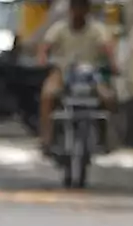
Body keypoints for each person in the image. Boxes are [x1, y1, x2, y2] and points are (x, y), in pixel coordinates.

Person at [35, 0, 115, 153]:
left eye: (82, 6)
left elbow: (107, 48)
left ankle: (106, 137)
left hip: (91, 74)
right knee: (47, 95)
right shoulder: (59, 28)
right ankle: (46, 137)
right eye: (76, 6)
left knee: (108, 98)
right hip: (62, 72)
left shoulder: (97, 29)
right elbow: (45, 46)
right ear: (71, 9)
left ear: (87, 9)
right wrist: (43, 59)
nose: (79, 10)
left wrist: (113, 64)